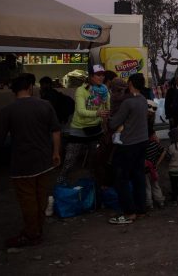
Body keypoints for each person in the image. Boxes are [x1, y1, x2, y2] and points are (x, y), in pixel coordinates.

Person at [0, 74, 61, 247]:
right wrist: (56, 152)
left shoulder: (8, 111)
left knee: (28, 200)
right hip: (44, 160)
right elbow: (56, 131)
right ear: (30, 88)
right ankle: (37, 229)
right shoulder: (45, 105)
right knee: (40, 197)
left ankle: (31, 233)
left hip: (23, 163)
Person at [56, 64, 110, 185]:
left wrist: (106, 115)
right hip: (79, 129)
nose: (101, 77)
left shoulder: (104, 90)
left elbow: (107, 107)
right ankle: (61, 184)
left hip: (96, 129)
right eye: (98, 75)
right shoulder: (81, 90)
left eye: (102, 75)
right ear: (91, 76)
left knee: (94, 161)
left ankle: (92, 188)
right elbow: (80, 111)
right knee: (70, 160)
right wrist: (98, 113)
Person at [107, 73, 149, 225]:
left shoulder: (128, 103)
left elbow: (114, 123)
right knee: (138, 177)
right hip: (142, 141)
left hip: (129, 144)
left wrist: (106, 117)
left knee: (121, 179)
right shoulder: (143, 100)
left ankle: (129, 212)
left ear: (130, 83)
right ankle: (141, 209)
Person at [144, 132, 166, 210]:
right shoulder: (155, 144)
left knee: (147, 187)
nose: (156, 136)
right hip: (153, 169)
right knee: (156, 185)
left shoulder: (143, 146)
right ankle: (160, 201)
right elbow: (164, 151)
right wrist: (157, 163)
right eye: (154, 135)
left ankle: (149, 204)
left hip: (145, 170)